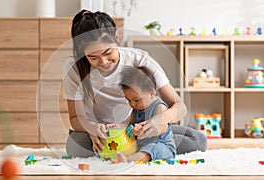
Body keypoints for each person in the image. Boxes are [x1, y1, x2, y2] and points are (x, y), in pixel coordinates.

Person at [63, 9, 207, 158]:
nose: (103, 62)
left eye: (107, 52)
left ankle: (143, 146)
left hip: (138, 129)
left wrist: (161, 119)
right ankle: (143, 149)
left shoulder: (139, 60)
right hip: (104, 134)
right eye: (93, 57)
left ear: (116, 37)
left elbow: (180, 106)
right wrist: (90, 128)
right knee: (75, 145)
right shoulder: (74, 69)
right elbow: (75, 118)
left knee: (198, 141)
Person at [115, 66, 176, 163]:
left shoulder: (159, 107)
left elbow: (163, 128)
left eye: (136, 100)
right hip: (140, 146)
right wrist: (118, 126)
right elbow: (127, 123)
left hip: (162, 146)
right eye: (128, 100)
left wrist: (143, 129)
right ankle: (133, 156)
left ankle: (128, 160)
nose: (132, 104)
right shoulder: (136, 109)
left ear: (152, 93)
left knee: (151, 149)